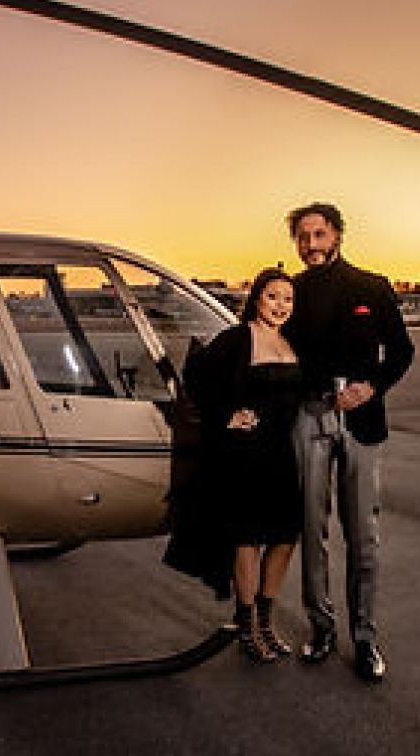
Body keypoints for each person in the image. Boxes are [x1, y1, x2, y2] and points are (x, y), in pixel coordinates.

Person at [283, 202, 414, 683]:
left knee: (363, 536)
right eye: (302, 237)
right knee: (311, 529)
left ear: (337, 235)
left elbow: (402, 350)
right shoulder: (289, 293)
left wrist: (372, 386)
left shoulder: (371, 287)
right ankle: (321, 629)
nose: (310, 245)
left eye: (318, 235)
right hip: (310, 416)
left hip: (361, 420)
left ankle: (365, 639)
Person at [165, 267, 304, 662]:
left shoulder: (289, 341)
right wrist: (226, 413)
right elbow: (195, 374)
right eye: (273, 297)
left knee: (284, 537)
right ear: (257, 298)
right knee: (249, 539)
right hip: (245, 455)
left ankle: (265, 621)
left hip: (281, 454)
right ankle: (246, 627)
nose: (281, 306)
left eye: (288, 299)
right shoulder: (238, 338)